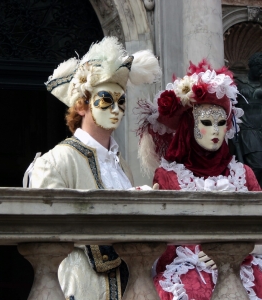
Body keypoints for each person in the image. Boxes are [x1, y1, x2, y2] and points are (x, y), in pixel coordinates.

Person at [28, 36, 161, 300]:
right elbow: (49, 229)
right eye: (105, 100)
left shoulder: (122, 166)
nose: (116, 109)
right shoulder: (54, 162)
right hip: (81, 288)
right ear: (81, 105)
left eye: (121, 101)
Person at [136, 59, 262, 299]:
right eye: (206, 122)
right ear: (188, 126)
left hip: (245, 271)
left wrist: (237, 252)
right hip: (189, 275)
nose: (215, 131)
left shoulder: (242, 174)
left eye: (221, 123)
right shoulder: (168, 177)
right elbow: (163, 244)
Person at [233, 52, 262, 187]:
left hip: (260, 128)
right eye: (259, 67)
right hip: (247, 130)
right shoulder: (238, 83)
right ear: (252, 66)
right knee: (257, 165)